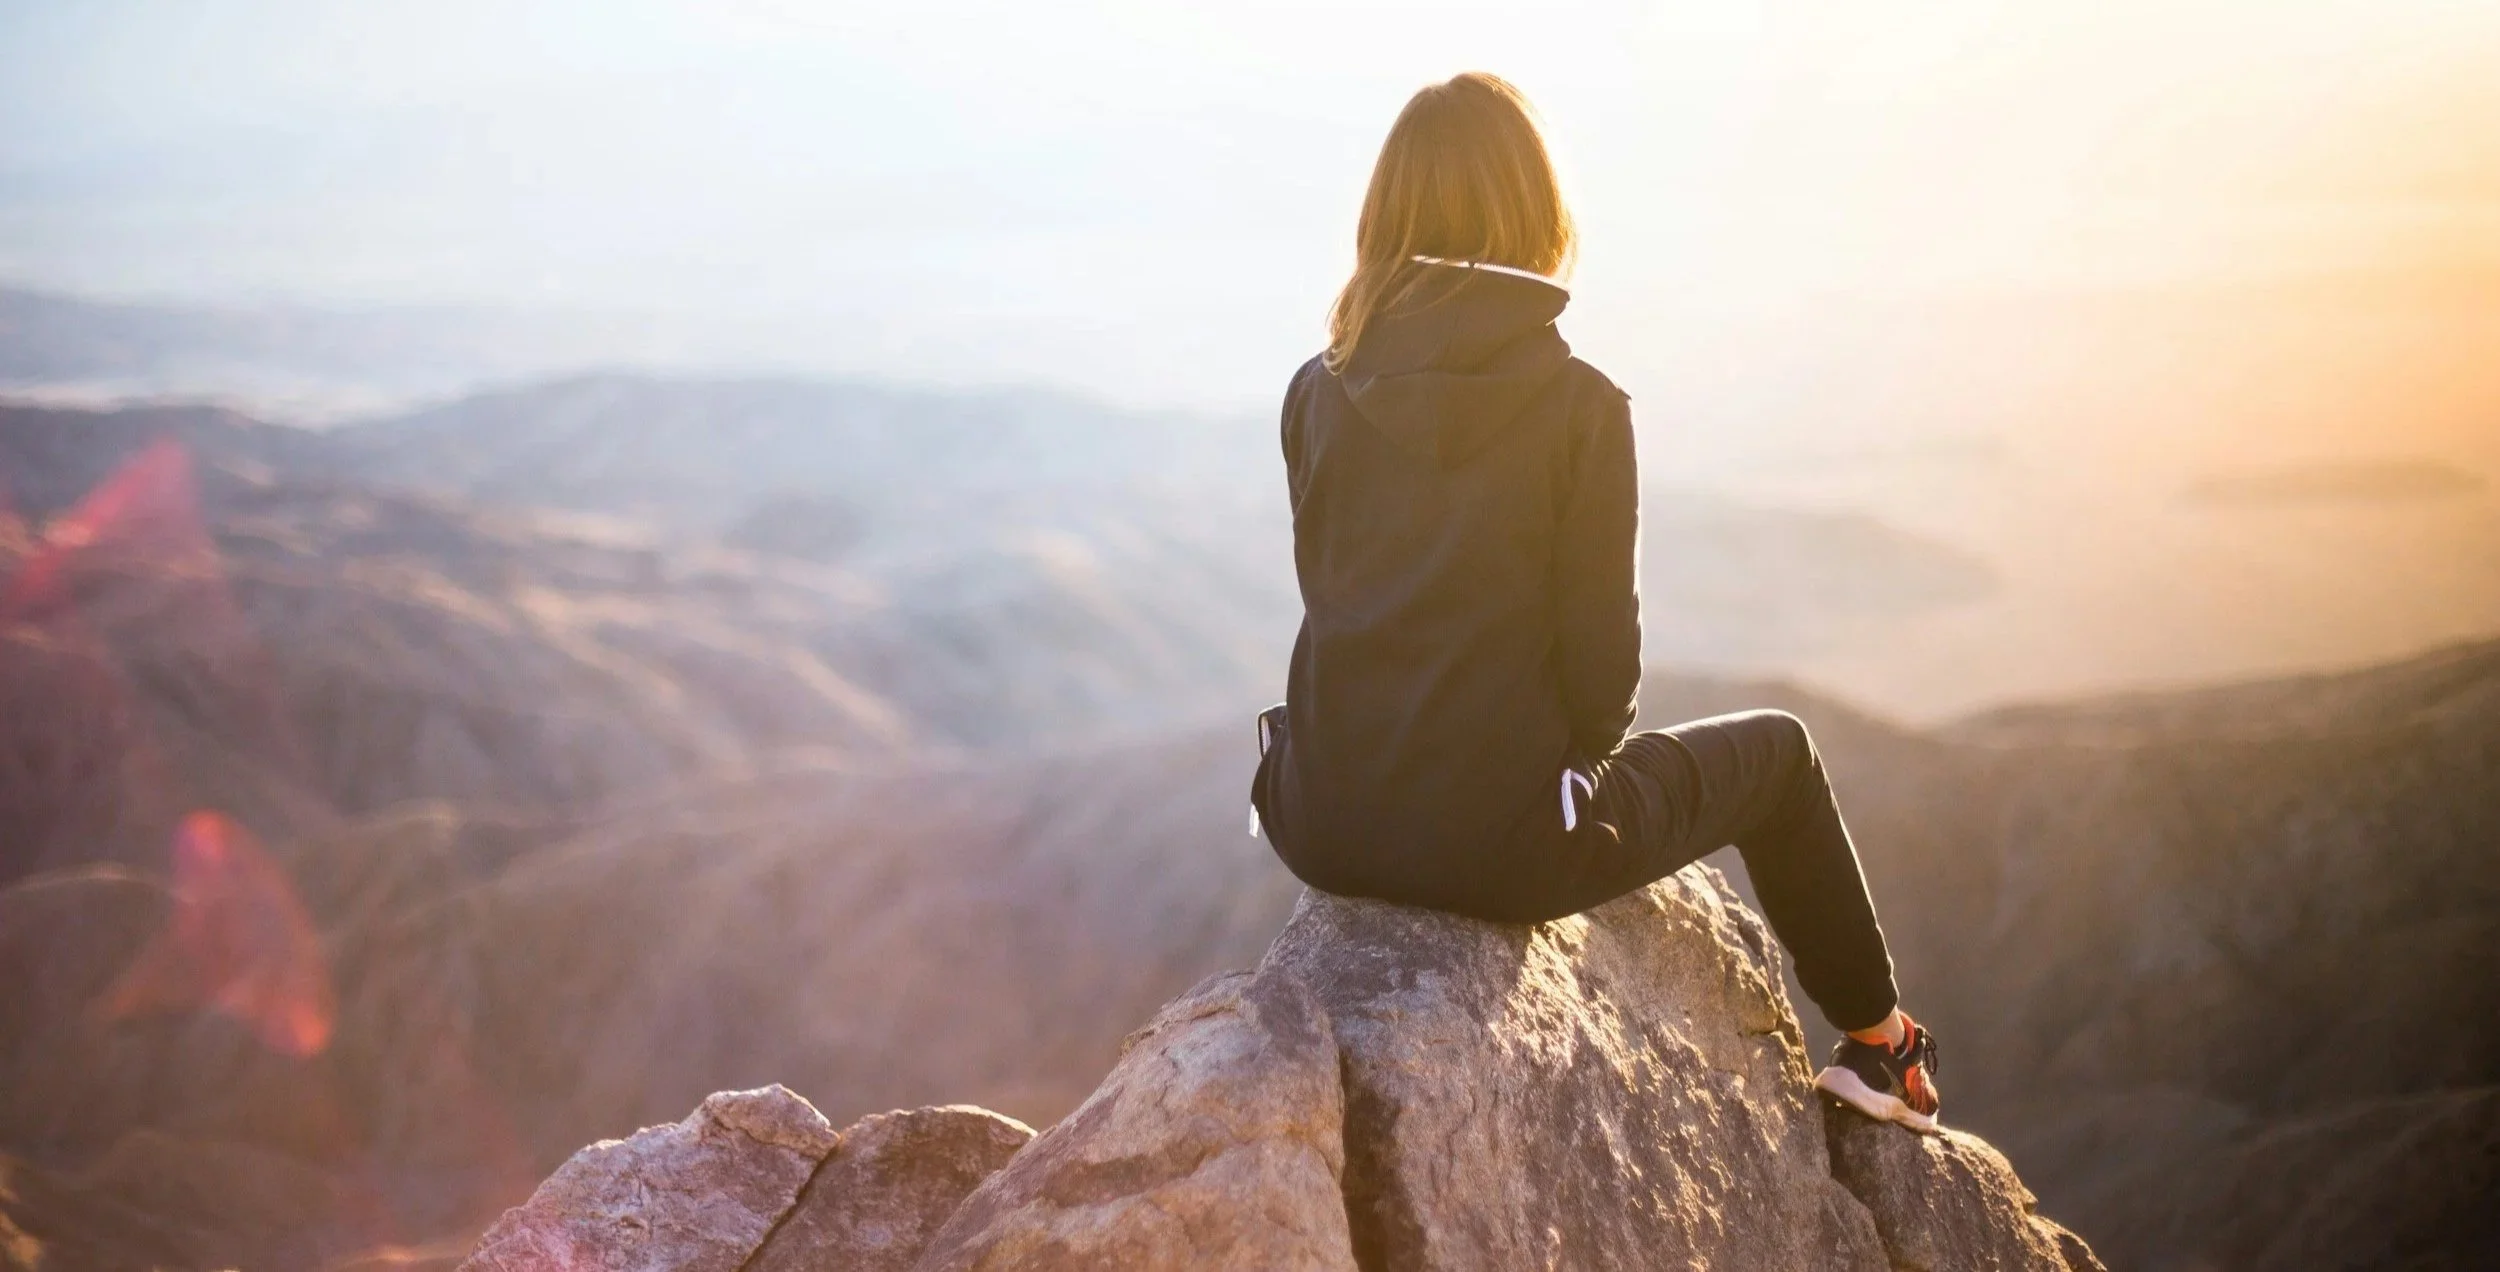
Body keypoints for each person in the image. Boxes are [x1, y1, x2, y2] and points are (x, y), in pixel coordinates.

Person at [1248, 71, 1941, 1131]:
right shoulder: (1578, 408)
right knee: (1784, 755)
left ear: (1384, 214)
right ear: (1535, 212)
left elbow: (1337, 598)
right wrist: (1556, 780)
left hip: (1319, 818)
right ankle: (1880, 1044)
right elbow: (1602, 685)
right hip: (1504, 849)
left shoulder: (1314, 385)